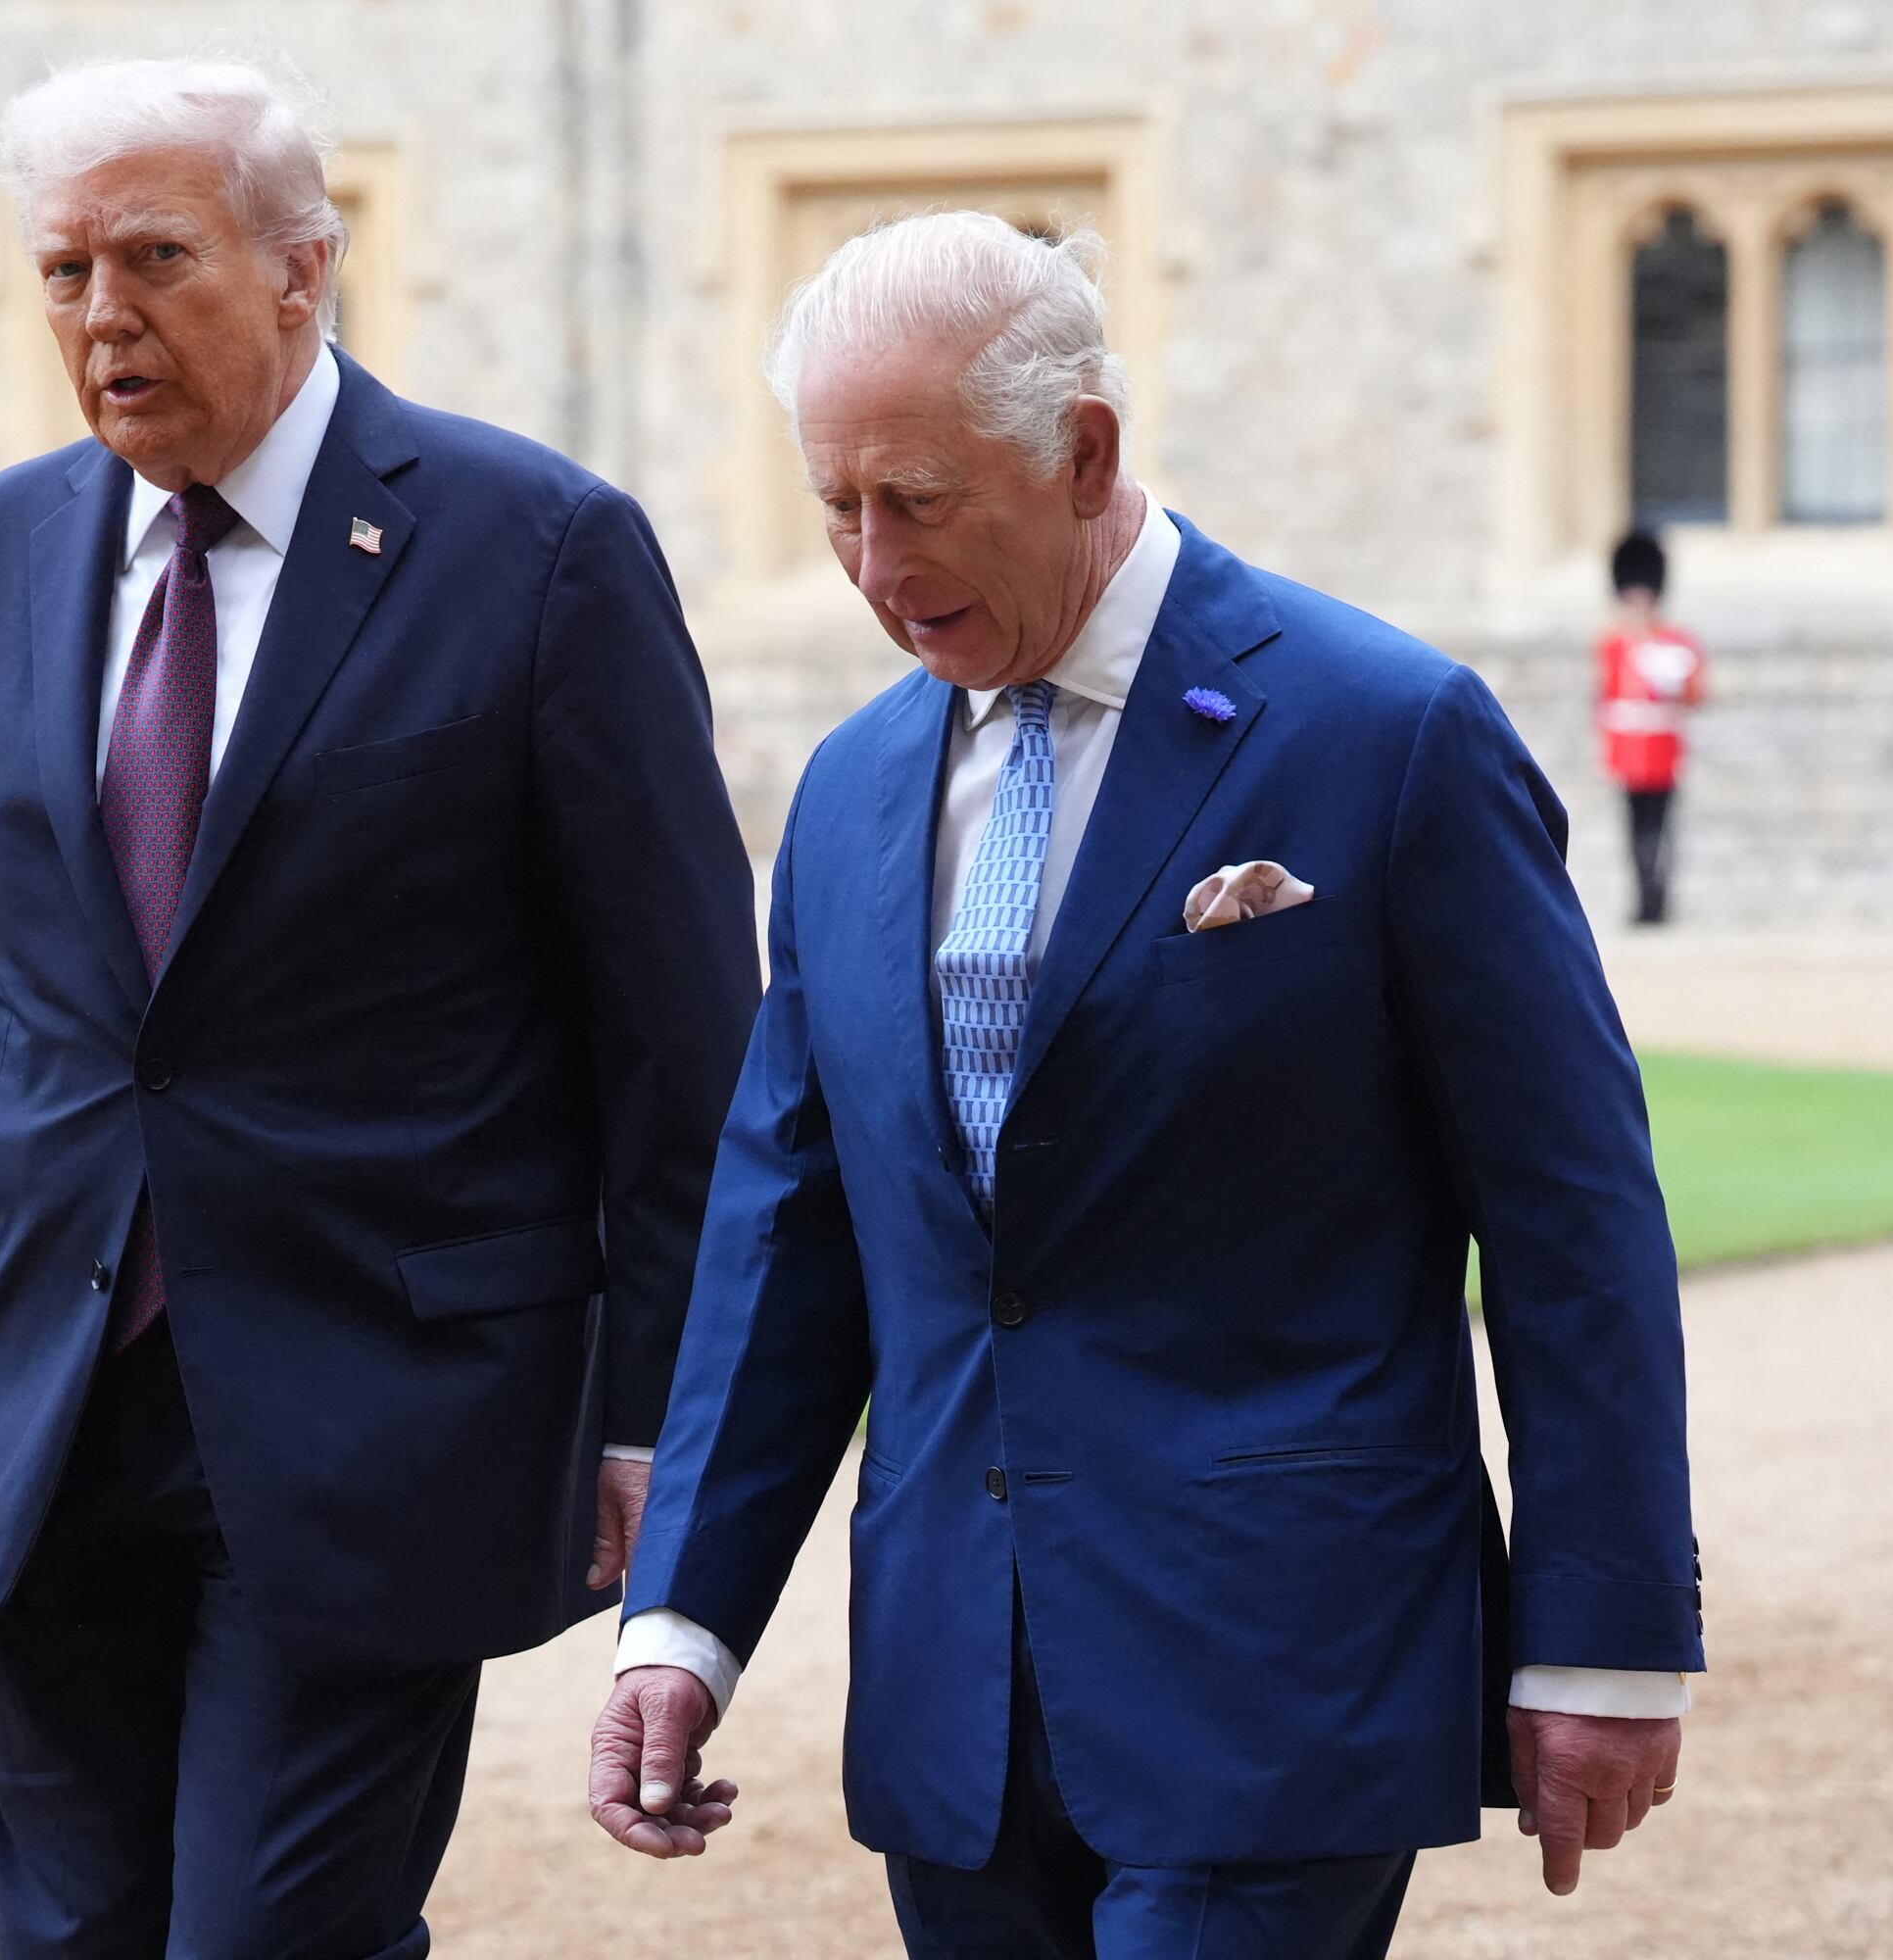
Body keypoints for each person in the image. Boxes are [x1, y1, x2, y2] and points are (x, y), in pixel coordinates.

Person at [586, 213, 1703, 1958]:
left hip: (1282, 1671)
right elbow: (785, 1235)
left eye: (919, 501)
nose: (872, 567)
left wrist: (1606, 1637)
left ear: (1085, 449)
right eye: (836, 509)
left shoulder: (1387, 734)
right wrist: (685, 1626)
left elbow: (1571, 1218)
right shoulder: (850, 792)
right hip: (954, 1702)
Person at [0, 58, 758, 1958]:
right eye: (63, 269)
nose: (100, 314)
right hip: (39, 1414)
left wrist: (661, 1417)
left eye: (153, 256)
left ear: (307, 268)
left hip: (374, 1414)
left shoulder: (540, 554)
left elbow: (680, 1045)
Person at [1597, 529, 1707, 925]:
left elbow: (1696, 694)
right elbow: (1607, 698)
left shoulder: (1677, 642)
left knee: (1660, 830)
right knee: (1634, 831)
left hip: (1662, 749)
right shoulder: (1613, 644)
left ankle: (1658, 901)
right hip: (1629, 749)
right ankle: (1642, 898)